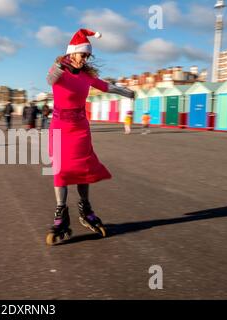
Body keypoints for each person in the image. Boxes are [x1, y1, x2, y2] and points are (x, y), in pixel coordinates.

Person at [45, 28, 135, 245]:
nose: (84, 58)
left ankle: (85, 209)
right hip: (59, 126)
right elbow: (50, 79)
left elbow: (105, 86)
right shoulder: (59, 71)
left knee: (83, 168)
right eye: (82, 54)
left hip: (79, 128)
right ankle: (60, 214)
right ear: (72, 52)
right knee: (61, 168)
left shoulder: (87, 75)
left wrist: (126, 92)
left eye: (87, 55)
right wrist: (59, 64)